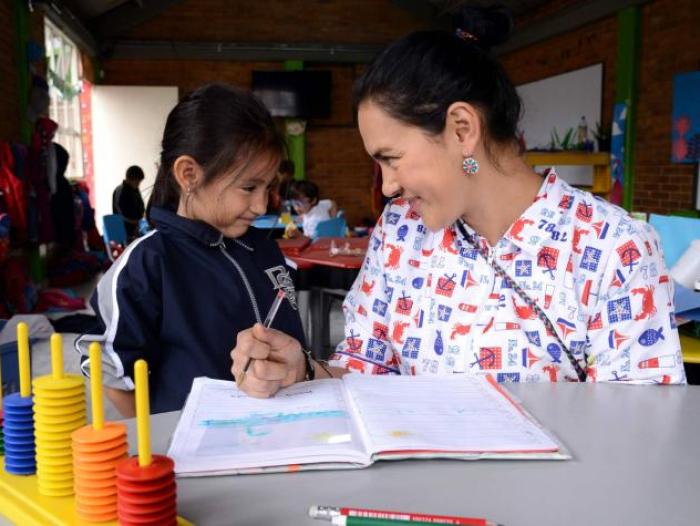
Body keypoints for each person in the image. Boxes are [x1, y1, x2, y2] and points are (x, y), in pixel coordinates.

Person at [230, 5, 686, 396]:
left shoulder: (613, 248)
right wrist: (304, 370)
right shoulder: (400, 231)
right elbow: (366, 371)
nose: (388, 186)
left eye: (391, 158)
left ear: (462, 129)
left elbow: (638, 428)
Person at [77, 84, 308, 415]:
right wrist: (164, 436)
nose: (261, 205)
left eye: (268, 186)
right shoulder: (149, 263)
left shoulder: (264, 250)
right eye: (248, 187)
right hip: (199, 451)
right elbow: (112, 369)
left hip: (288, 432)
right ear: (189, 175)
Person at [112, 165, 146, 241]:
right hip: (124, 229)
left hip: (136, 227)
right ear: (130, 179)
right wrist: (134, 222)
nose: (138, 184)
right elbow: (119, 212)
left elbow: (141, 205)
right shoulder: (120, 190)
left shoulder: (135, 189)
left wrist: (140, 219)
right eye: (137, 182)